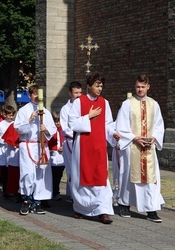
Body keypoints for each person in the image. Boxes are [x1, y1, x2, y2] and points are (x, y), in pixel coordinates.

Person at [115, 74, 165, 223]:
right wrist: (135, 138)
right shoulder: (127, 104)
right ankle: (124, 204)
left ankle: (151, 209)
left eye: (143, 87)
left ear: (148, 87)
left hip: (149, 148)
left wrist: (154, 137)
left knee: (151, 179)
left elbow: (159, 125)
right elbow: (121, 127)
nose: (140, 89)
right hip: (132, 146)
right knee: (128, 176)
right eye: (138, 87)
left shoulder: (154, 104)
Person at [68, 72, 115, 224]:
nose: (100, 88)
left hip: (99, 144)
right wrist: (88, 116)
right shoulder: (79, 102)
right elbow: (72, 124)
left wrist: (114, 134)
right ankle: (81, 208)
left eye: (101, 85)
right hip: (83, 145)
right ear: (89, 86)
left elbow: (108, 123)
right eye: (97, 85)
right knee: (83, 176)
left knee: (101, 176)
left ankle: (103, 210)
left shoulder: (104, 102)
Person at [14, 84, 57, 215]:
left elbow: (52, 129)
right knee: (28, 173)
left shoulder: (46, 111)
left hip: (41, 145)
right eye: (34, 94)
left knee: (40, 174)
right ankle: (27, 199)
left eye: (39, 94)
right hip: (27, 145)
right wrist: (30, 120)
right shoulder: (24, 110)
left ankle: (37, 201)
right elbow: (18, 128)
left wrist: (46, 129)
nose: (37, 97)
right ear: (30, 95)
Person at [59, 81, 82, 198]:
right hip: (70, 141)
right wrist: (76, 134)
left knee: (81, 169)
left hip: (82, 140)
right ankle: (74, 196)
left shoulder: (84, 106)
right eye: (75, 93)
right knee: (72, 169)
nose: (78, 95)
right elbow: (65, 127)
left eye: (80, 92)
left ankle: (80, 194)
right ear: (70, 93)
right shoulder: (65, 109)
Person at [0, 105, 17, 198]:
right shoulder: (0, 125)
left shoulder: (15, 124)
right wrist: (4, 140)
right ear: (4, 115)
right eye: (9, 115)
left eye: (12, 115)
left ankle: (12, 189)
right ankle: (5, 190)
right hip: (3, 149)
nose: (11, 117)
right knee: (5, 172)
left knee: (12, 171)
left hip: (12, 150)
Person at [48, 111, 65, 201]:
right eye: (55, 121)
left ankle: (56, 191)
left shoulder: (63, 130)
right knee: (53, 175)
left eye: (58, 121)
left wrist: (63, 147)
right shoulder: (51, 130)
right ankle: (54, 192)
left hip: (62, 157)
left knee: (59, 175)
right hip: (53, 156)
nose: (57, 123)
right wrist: (54, 149)